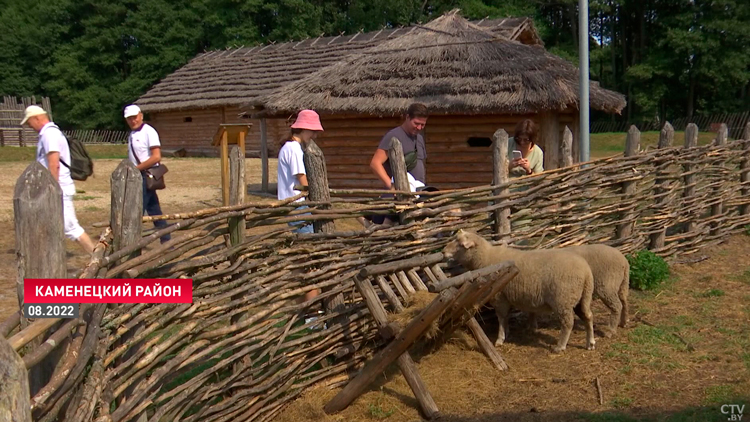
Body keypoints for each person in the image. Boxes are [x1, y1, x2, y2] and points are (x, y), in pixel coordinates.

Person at [21, 105, 95, 253]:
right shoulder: (49, 134)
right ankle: (45, 255)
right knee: (45, 223)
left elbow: (54, 164)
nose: (30, 127)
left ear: (37, 118)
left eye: (29, 123)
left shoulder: (50, 135)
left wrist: (52, 189)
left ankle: (97, 256)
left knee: (71, 228)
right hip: (55, 187)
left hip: (59, 188)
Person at [124, 104, 171, 244]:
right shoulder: (132, 134)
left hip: (146, 175)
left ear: (141, 116)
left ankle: (132, 242)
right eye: (129, 119)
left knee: (137, 208)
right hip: (138, 175)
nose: (133, 121)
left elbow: (156, 157)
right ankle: (166, 240)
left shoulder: (149, 131)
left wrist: (136, 169)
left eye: (135, 117)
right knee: (154, 209)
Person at [277, 110, 325, 234]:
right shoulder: (294, 148)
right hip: (296, 202)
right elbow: (300, 175)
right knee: (307, 236)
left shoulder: (289, 147)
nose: (314, 136)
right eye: (313, 131)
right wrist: (311, 191)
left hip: (291, 201)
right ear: (304, 129)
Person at [370, 103, 429, 189]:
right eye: (416, 123)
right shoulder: (393, 136)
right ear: (408, 117)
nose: (419, 128)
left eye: (422, 125)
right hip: (399, 195)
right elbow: (375, 163)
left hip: (418, 192)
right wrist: (391, 186)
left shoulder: (419, 138)